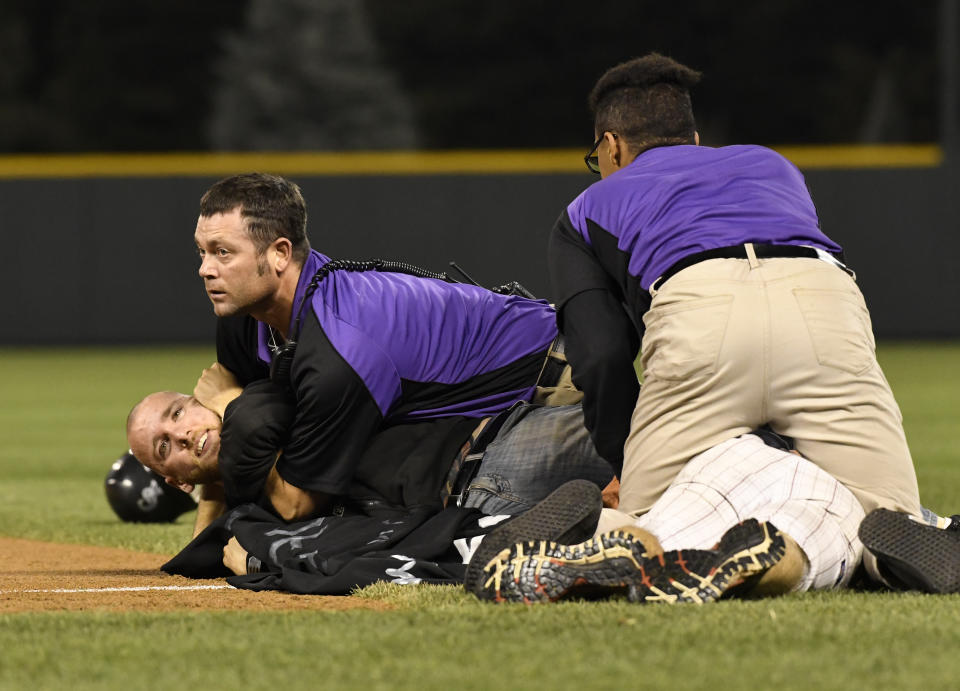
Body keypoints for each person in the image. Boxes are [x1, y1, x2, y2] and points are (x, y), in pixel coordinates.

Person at [544, 53, 922, 582]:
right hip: (821, 299)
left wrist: (624, 461)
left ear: (610, 146)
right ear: (694, 139)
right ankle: (870, 555)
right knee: (891, 517)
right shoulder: (773, 165)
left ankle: (621, 530)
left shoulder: (588, 207)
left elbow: (602, 355)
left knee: (656, 520)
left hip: (698, 311)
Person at [172, 171, 600, 532]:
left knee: (478, 513)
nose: (205, 269)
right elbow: (233, 436)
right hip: (499, 373)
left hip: (558, 375)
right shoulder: (244, 316)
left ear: (280, 254)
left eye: (223, 253)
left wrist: (230, 405)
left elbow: (297, 504)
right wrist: (202, 536)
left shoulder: (339, 350)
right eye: (202, 252)